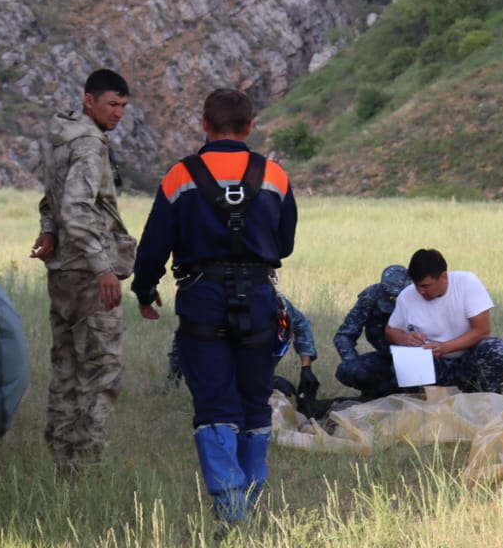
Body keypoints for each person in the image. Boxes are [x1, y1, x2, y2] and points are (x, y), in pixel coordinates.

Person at [132, 88, 297, 525]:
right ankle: (253, 497)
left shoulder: (179, 177)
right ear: (249, 127)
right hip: (260, 300)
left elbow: (152, 248)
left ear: (204, 123)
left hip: (202, 300)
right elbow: (285, 243)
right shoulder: (274, 176)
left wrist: (146, 292)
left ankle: (231, 507)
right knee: (256, 403)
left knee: (215, 406)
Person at [31, 69, 137, 478]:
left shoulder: (62, 139)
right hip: (89, 273)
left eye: (124, 106)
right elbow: (75, 207)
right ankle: (88, 461)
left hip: (63, 271)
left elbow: (50, 200)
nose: (119, 113)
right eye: (112, 104)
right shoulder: (90, 145)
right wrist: (103, 268)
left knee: (67, 366)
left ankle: (61, 456)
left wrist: (47, 231)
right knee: (102, 367)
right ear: (88, 101)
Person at [384, 248, 503, 394]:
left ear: (444, 277)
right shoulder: (407, 296)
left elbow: (482, 331)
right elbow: (390, 331)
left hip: (467, 360)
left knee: (495, 348)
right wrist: (405, 338)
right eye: (416, 285)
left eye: (426, 286)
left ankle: (488, 398)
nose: (421, 291)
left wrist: (445, 347)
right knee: (403, 362)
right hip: (434, 364)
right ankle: (423, 401)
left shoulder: (467, 283)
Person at [166, 292, 320, 410]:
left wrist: (306, 368)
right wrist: (174, 377)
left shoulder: (279, 307)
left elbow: (302, 325)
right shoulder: (223, 312)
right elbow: (188, 336)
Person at [332, 264, 411, 400]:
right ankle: (378, 395)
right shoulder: (370, 296)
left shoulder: (421, 297)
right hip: (386, 358)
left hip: (414, 361)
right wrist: (353, 362)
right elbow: (344, 336)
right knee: (348, 370)